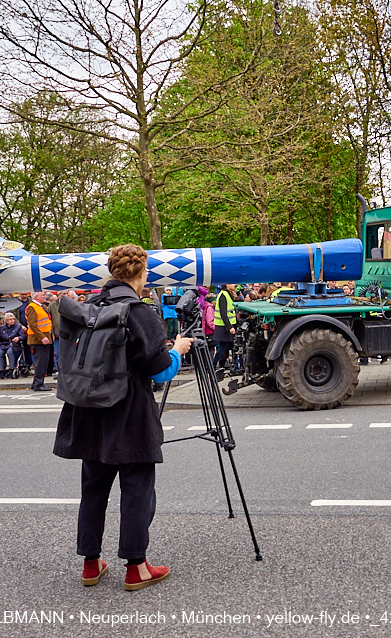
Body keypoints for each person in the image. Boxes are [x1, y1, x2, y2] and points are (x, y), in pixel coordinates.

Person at [53, 243, 193, 592]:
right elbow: (159, 372)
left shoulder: (88, 308)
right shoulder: (140, 312)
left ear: (111, 272)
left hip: (87, 412)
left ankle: (90, 564)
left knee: (94, 490)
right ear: (142, 274)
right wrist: (177, 351)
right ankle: (136, 567)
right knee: (136, 492)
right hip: (129, 414)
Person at [26, 291, 54, 391]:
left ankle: (36, 383)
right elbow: (33, 325)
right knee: (40, 362)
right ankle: (38, 384)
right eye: (43, 295)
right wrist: (42, 337)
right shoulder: (32, 307)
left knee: (43, 362)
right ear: (36, 296)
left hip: (44, 338)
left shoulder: (40, 306)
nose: (45, 296)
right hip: (39, 339)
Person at [211, 284, 236, 370]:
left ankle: (219, 365)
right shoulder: (223, 295)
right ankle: (213, 365)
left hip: (226, 325)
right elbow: (223, 313)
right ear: (227, 284)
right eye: (232, 283)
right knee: (222, 347)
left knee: (226, 346)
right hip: (223, 326)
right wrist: (230, 327)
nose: (235, 285)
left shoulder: (227, 294)